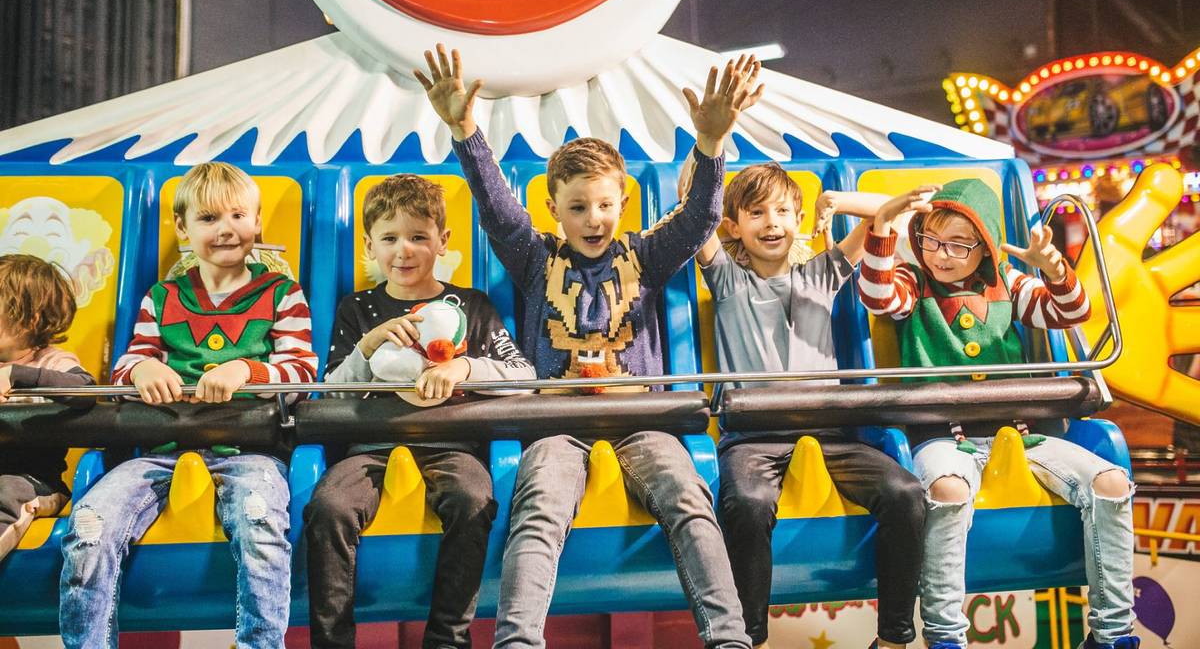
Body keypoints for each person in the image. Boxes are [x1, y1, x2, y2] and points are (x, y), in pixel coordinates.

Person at [416, 44, 760, 649]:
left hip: (641, 420)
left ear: (624, 205)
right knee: (539, 508)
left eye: (605, 205)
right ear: (554, 210)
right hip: (556, 422)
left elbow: (701, 218)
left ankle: (728, 638)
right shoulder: (535, 259)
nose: (594, 218)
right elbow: (497, 211)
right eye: (578, 207)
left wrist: (709, 146)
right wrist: (464, 130)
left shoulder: (646, 256)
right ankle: (517, 640)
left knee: (688, 496)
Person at [858, 179, 1138, 649]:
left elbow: (1073, 312)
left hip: (1020, 431)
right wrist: (885, 225)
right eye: (931, 240)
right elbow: (877, 296)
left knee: (1110, 483)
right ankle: (946, 636)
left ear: (984, 246)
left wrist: (1054, 271)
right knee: (947, 490)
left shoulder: (1008, 283)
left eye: (958, 245)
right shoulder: (913, 279)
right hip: (942, 435)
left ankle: (1112, 633)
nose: (940, 255)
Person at [59, 161, 317, 649]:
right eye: (208, 219)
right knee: (90, 524)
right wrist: (142, 370)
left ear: (258, 223)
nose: (226, 230)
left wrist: (246, 370)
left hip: (250, 451)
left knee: (260, 523)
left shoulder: (282, 294)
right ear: (182, 228)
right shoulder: (163, 298)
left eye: (238, 216)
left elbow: (302, 372)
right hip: (162, 451)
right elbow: (126, 365)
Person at [693, 161, 924, 649]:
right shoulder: (728, 280)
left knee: (905, 493)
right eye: (756, 213)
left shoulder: (822, 273)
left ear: (798, 218)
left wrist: (835, 201)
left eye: (782, 211)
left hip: (828, 431)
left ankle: (895, 638)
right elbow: (695, 210)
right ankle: (749, 638)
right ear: (733, 225)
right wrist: (710, 139)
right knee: (749, 505)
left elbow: (886, 216)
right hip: (754, 437)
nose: (771, 223)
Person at [304, 173, 535, 649]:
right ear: (370, 246)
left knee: (472, 499)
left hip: (450, 443)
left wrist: (465, 369)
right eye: (389, 239)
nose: (403, 251)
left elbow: (523, 378)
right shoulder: (358, 309)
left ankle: (447, 639)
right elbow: (329, 395)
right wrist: (366, 348)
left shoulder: (470, 305)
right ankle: (331, 641)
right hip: (370, 445)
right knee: (328, 506)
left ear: (443, 241)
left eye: (418, 237)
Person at [0, 254, 96, 560]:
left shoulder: (50, 360)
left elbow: (85, 390)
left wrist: (17, 376)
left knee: (6, 490)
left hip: (33, 480)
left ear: (32, 318)